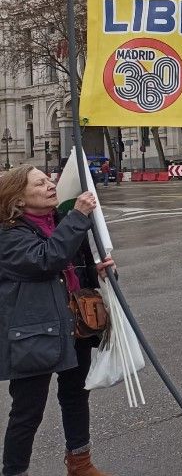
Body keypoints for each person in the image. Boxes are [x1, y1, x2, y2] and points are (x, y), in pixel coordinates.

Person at [0, 165, 115, 476]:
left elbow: (76, 266)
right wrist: (78, 216)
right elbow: (46, 260)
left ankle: (80, 463)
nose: (50, 185)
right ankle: (15, 472)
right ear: (19, 199)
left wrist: (101, 271)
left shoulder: (61, 222)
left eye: (49, 179)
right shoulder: (8, 234)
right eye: (40, 183)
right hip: (34, 333)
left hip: (74, 324)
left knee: (76, 396)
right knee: (27, 411)